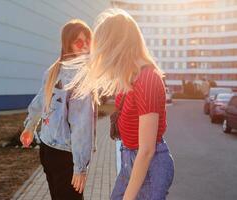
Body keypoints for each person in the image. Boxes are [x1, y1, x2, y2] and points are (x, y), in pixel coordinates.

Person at [68, 9, 174, 200]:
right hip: (130, 162)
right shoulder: (129, 78)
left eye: (106, 50)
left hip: (148, 168)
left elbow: (147, 150)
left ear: (118, 47)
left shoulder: (147, 79)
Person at [20, 19, 96, 200]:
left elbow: (39, 102)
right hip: (65, 157)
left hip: (47, 152)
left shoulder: (54, 70)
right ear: (68, 44)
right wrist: (80, 167)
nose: (85, 46)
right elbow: (81, 125)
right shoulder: (81, 77)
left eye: (88, 40)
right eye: (79, 42)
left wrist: (30, 127)